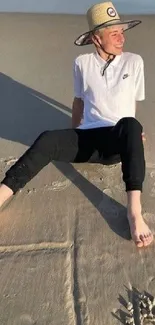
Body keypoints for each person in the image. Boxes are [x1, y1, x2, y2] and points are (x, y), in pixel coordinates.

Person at [0, 1, 153, 248]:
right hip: (88, 141)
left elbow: (131, 105)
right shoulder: (82, 63)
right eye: (114, 33)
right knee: (48, 138)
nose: (121, 38)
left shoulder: (134, 62)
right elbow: (78, 102)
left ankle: (134, 212)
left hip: (118, 142)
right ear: (96, 38)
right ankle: (2, 195)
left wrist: (131, 138)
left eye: (122, 32)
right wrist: (74, 132)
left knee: (131, 124)